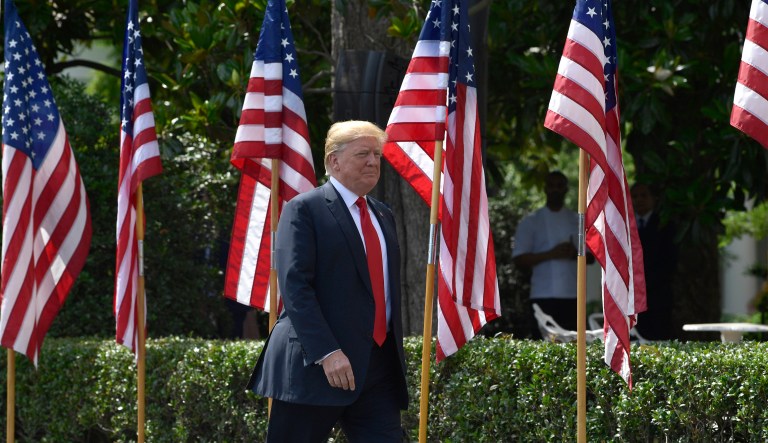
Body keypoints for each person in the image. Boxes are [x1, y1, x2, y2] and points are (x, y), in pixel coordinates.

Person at [247, 120, 408, 442]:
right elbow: (295, 287)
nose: (373, 162)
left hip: (377, 367)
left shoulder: (382, 214)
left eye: (377, 154)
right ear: (333, 161)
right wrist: (327, 352)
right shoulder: (305, 209)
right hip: (316, 365)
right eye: (363, 153)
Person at [512, 171, 581, 333]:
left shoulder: (577, 220)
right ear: (545, 189)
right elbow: (519, 259)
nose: (555, 190)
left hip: (572, 294)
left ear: (566, 189)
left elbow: (591, 257)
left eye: (559, 186)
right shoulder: (531, 221)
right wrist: (552, 254)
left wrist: (573, 253)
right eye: (551, 186)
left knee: (573, 346)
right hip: (542, 294)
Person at [631, 182, 677, 340]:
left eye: (644, 195)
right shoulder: (625, 226)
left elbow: (669, 261)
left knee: (657, 339)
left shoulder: (665, 225)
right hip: (632, 296)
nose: (639, 200)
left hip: (657, 295)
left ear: (654, 199)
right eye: (635, 196)